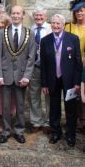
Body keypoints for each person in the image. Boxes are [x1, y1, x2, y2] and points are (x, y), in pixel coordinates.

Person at [0, 5, 37, 144]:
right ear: (10, 15)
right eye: (13, 13)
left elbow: (31, 57)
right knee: (5, 106)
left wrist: (27, 76)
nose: (15, 16)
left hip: (21, 76)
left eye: (18, 13)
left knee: (20, 106)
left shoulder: (29, 33)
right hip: (5, 75)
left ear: (23, 15)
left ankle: (19, 131)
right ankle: (6, 131)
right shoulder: (2, 33)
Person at [41, 14, 82, 147]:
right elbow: (43, 64)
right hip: (53, 79)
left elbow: (78, 63)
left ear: (63, 25)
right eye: (53, 23)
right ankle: (55, 132)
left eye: (58, 23)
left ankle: (70, 134)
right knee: (54, 108)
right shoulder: (45, 40)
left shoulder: (73, 39)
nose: (55, 26)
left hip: (69, 80)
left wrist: (77, 82)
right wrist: (44, 83)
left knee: (70, 109)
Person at [27, 7, 52, 134]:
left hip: (48, 68)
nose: (38, 18)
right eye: (36, 15)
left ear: (45, 17)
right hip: (34, 67)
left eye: (41, 15)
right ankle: (36, 121)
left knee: (49, 95)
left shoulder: (51, 28)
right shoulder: (30, 30)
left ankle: (48, 121)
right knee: (34, 96)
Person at [65, 0, 85, 131]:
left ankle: (83, 120)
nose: (79, 13)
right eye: (77, 11)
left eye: (82, 11)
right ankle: (75, 120)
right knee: (74, 92)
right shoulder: (68, 26)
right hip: (71, 65)